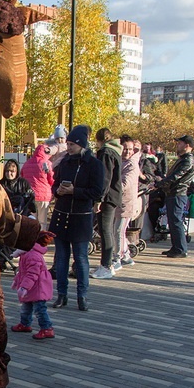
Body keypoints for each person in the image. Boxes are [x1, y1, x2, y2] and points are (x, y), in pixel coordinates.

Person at [48, 125, 104, 311]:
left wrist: (75, 191)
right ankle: (61, 295)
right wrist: (59, 191)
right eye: (68, 143)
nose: (69, 147)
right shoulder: (65, 162)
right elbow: (54, 184)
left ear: (81, 144)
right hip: (62, 215)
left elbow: (97, 191)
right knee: (61, 258)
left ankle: (82, 295)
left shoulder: (94, 164)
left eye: (72, 144)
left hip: (81, 217)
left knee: (80, 258)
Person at [159, 134, 194, 258]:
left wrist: (160, 184)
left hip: (178, 193)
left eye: (180, 143)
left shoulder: (187, 160)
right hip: (173, 193)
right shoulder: (183, 159)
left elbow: (176, 176)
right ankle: (176, 247)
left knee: (176, 221)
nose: (177, 145)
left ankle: (181, 249)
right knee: (173, 221)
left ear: (187, 145)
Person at [92, 128, 122, 280]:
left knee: (105, 230)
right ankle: (107, 263)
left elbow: (105, 178)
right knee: (107, 230)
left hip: (107, 197)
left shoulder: (106, 153)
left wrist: (99, 199)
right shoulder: (116, 151)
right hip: (114, 195)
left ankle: (106, 265)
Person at [10, 239, 55, 340]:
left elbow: (32, 274)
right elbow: (22, 272)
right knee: (26, 307)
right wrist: (16, 281)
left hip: (38, 287)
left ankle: (47, 328)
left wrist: (24, 287)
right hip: (31, 287)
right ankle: (25, 323)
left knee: (39, 309)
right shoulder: (25, 254)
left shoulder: (32, 255)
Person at [114, 135, 142, 269]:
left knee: (118, 231)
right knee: (117, 231)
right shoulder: (119, 161)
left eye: (130, 149)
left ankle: (117, 258)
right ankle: (126, 255)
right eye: (125, 149)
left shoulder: (132, 164)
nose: (128, 152)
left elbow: (124, 183)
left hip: (126, 203)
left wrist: (110, 185)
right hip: (117, 202)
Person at [20, 143, 55, 228]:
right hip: (44, 196)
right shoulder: (47, 163)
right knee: (42, 221)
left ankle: (32, 238)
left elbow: (22, 177)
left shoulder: (27, 163)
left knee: (32, 220)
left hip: (30, 195)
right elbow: (52, 179)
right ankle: (41, 239)